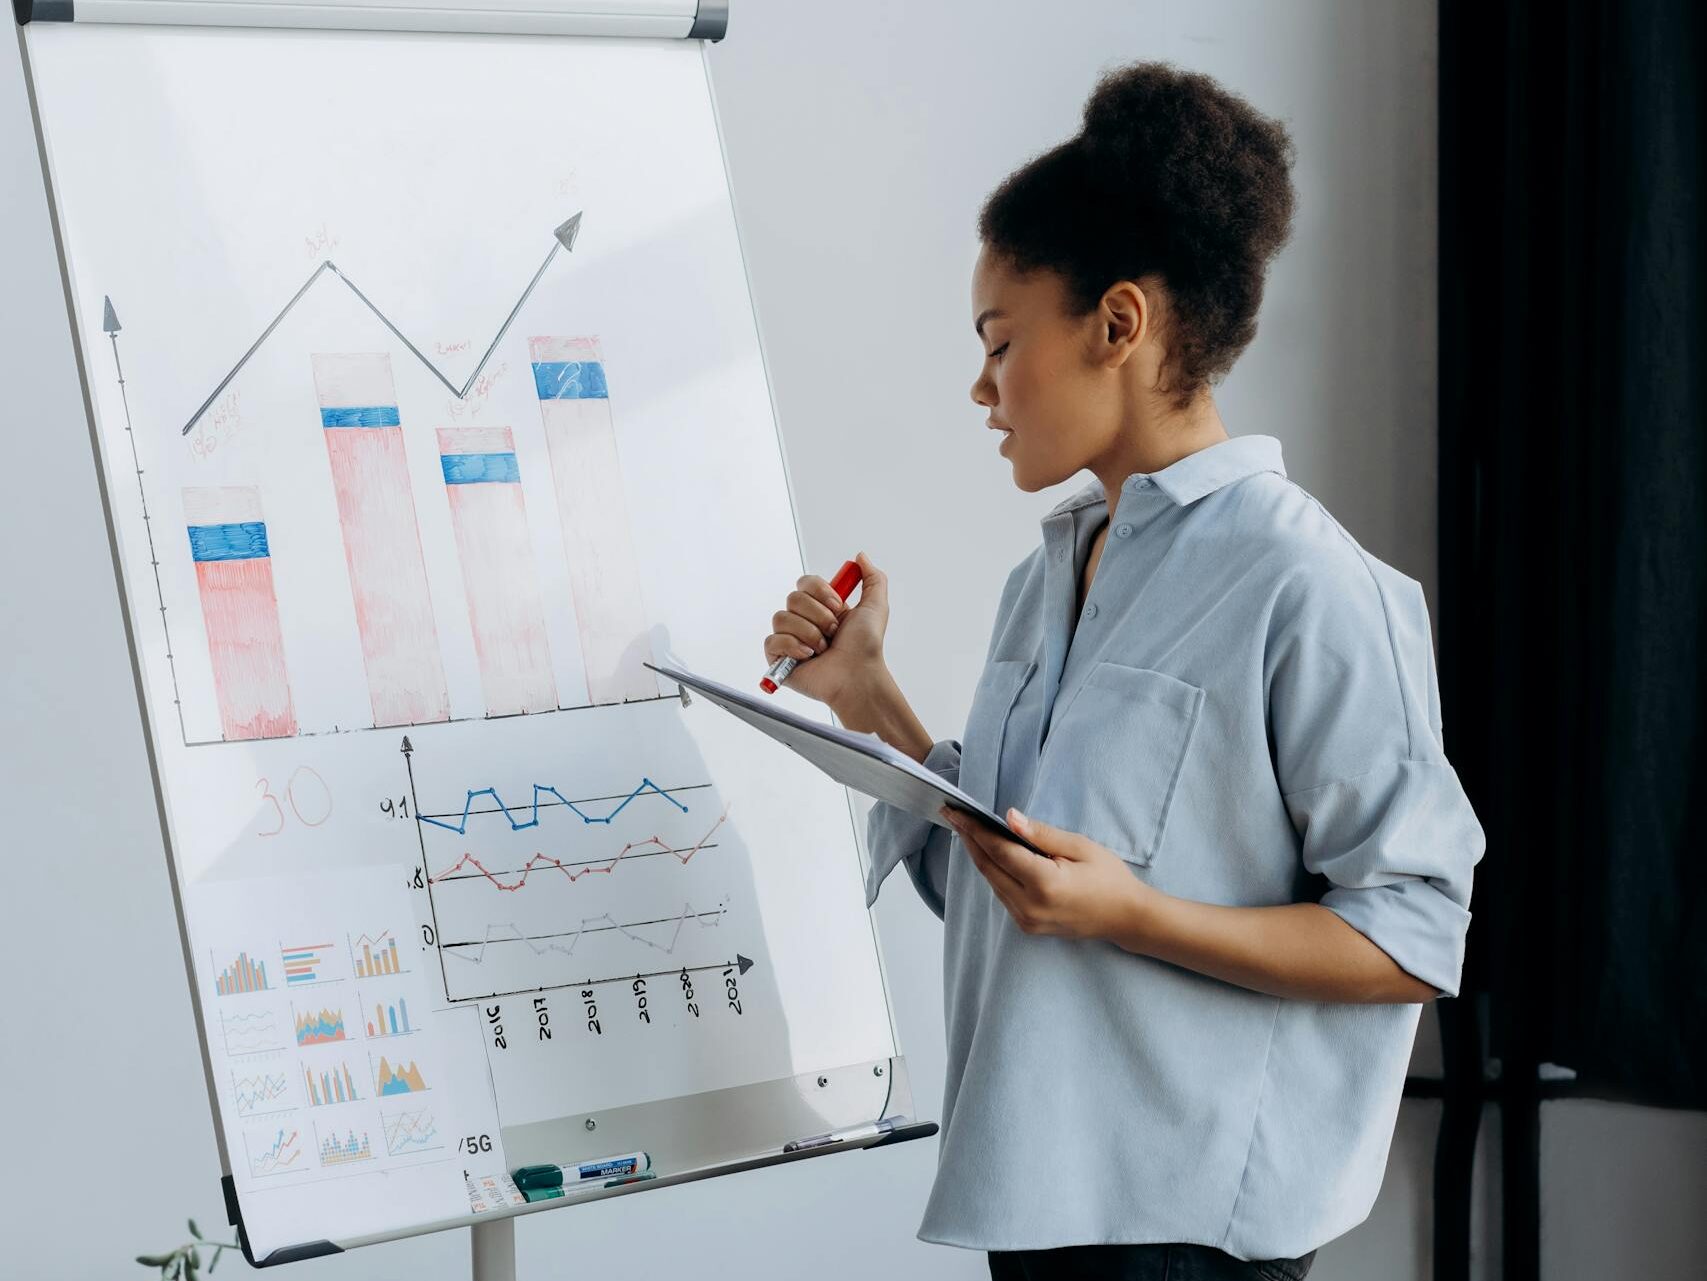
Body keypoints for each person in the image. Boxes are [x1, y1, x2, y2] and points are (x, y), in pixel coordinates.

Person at [762, 61, 1483, 1281]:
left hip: (1188, 1239)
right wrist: (869, 701)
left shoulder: (1308, 585)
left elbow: (1415, 937)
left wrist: (1131, 913)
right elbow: (1014, 892)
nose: (981, 389)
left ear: (1119, 324)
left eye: (1000, 343)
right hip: (1035, 1207)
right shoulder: (1044, 578)